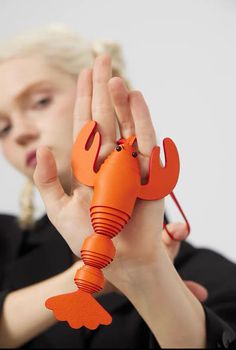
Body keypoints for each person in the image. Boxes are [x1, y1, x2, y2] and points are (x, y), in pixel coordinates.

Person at [0, 26, 235, 348]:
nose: (20, 133)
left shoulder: (213, 274)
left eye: (41, 101)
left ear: (106, 99)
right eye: (3, 127)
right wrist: (91, 274)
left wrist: (144, 269)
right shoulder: (4, 242)